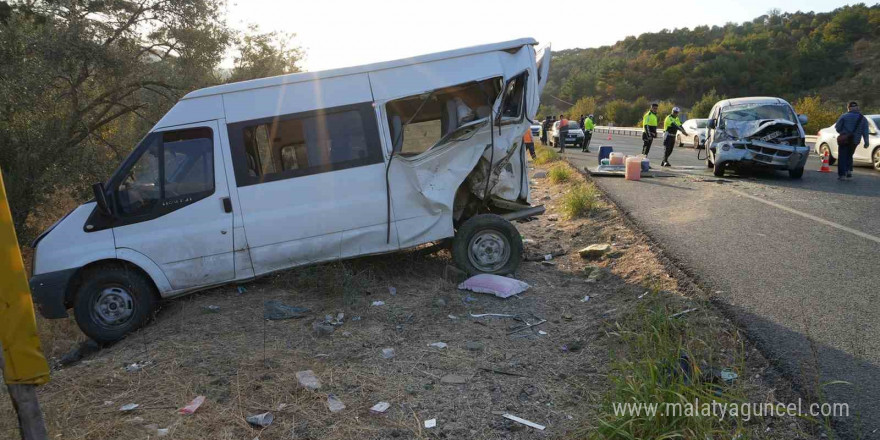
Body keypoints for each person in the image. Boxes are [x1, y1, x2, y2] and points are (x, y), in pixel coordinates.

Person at [834, 101, 870, 180]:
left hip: (844, 139)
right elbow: (865, 131)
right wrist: (866, 142)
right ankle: (849, 171)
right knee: (850, 155)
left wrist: (843, 132)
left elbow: (837, 128)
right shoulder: (863, 118)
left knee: (842, 156)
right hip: (855, 140)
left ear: (848, 108)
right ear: (857, 108)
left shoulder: (844, 116)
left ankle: (842, 175)